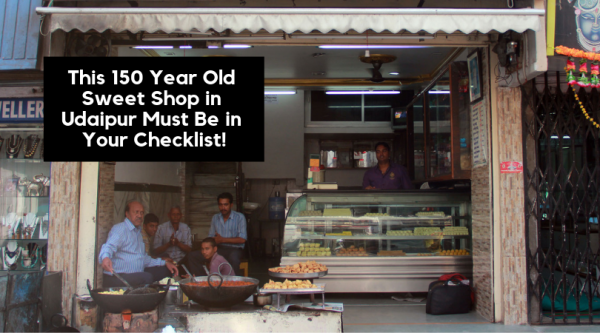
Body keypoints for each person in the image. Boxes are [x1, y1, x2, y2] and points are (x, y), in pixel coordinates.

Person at [99, 201, 178, 288]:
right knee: (147, 277)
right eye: (136, 212)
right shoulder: (120, 229)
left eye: (141, 213)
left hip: (135, 274)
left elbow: (144, 259)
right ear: (127, 214)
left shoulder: (138, 232)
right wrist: (105, 257)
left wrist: (165, 263)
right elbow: (109, 246)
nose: (139, 215)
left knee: (166, 271)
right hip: (117, 276)